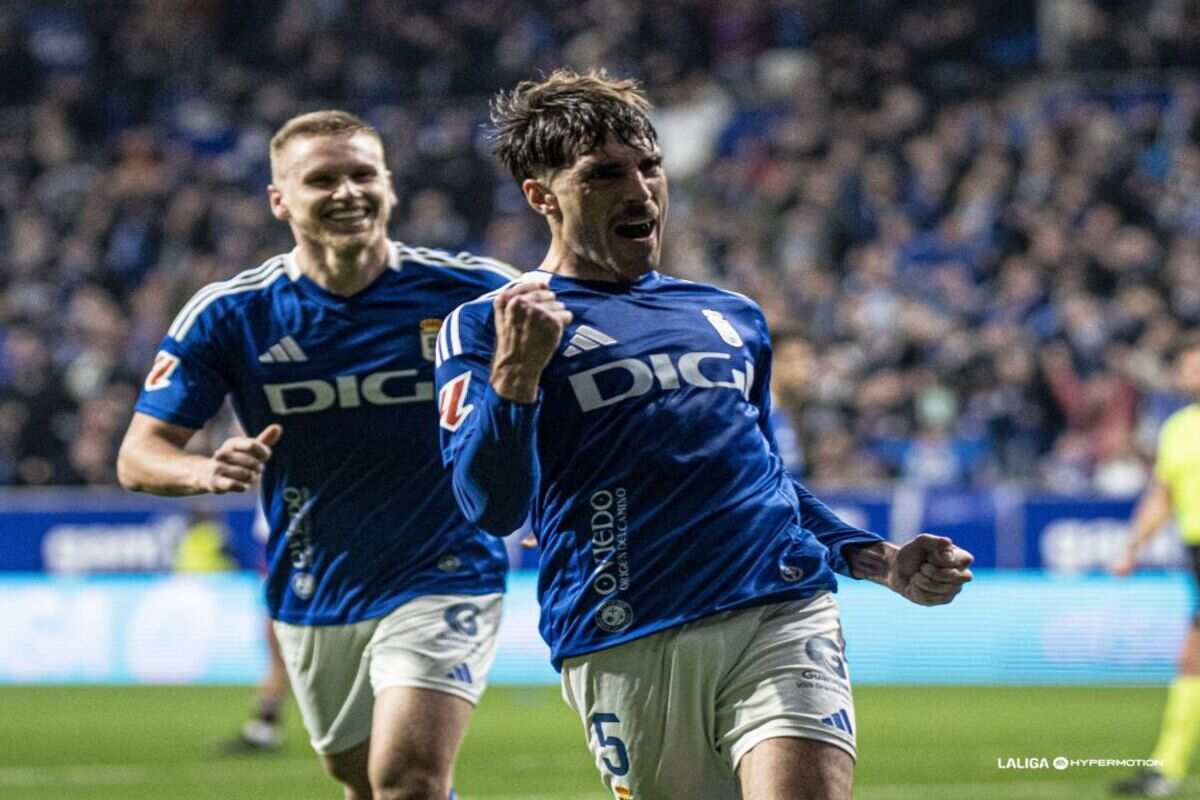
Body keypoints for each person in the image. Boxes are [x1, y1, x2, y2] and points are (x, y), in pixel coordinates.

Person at [434, 69, 974, 800]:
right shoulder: (492, 325)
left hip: (779, 608)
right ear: (542, 195)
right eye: (604, 175)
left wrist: (877, 560)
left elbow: (763, 478)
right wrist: (516, 379)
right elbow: (490, 507)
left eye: (650, 166)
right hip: (623, 630)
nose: (641, 189)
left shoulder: (731, 317)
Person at [117, 109, 519, 800]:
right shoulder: (232, 312)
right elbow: (139, 454)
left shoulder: (475, 291)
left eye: (363, 175)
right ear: (280, 199)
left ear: (389, 186)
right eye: (322, 179)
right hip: (315, 581)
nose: (347, 192)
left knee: (407, 780)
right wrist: (202, 470)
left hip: (445, 566)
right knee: (358, 780)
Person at [1112, 334, 1200, 797]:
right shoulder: (1179, 427)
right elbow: (1161, 496)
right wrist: (1133, 547)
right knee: (1191, 662)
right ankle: (1166, 770)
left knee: (1192, 659)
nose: (1188, 374)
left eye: (1194, 366)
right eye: (1185, 367)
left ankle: (1166, 770)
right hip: (1196, 554)